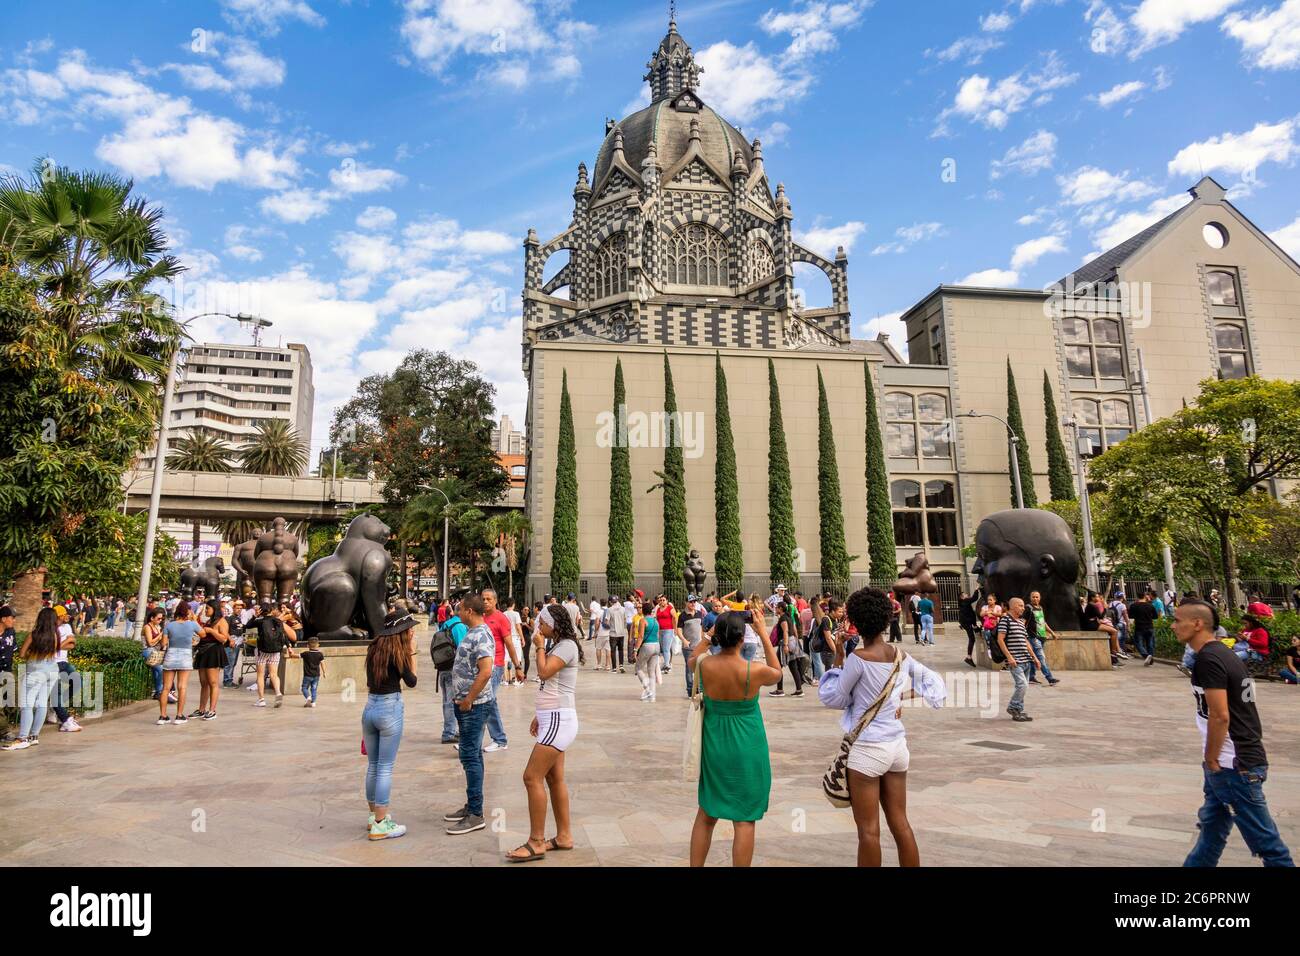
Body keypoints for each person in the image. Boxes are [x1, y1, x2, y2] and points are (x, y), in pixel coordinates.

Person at [818, 588, 947, 866]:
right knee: (901, 825)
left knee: (868, 832)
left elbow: (835, 697)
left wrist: (839, 655)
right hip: (897, 747)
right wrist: (900, 698)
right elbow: (933, 682)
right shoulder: (900, 655)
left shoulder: (858, 659)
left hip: (867, 749)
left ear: (856, 622)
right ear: (887, 619)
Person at [1173, 600, 1293, 867]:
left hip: (1233, 765)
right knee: (1212, 832)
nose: (1173, 625)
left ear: (1197, 623)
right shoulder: (1226, 655)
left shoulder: (1209, 659)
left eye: (1177, 620)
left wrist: (1212, 758)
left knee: (1268, 846)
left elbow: (1220, 715)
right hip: (1235, 761)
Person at [690, 606, 783, 867]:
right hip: (747, 744)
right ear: (743, 638)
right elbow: (778, 673)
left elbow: (691, 659)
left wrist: (708, 636)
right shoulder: (754, 670)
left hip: (715, 742)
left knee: (707, 813)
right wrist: (763, 632)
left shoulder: (705, 664)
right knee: (744, 818)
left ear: (719, 635)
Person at [505, 597, 584, 861]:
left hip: (559, 720)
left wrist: (538, 647)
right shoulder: (560, 644)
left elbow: (544, 672)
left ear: (553, 624)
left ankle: (536, 841)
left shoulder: (566, 645)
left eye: (542, 624)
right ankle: (563, 836)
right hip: (553, 718)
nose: (539, 628)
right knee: (553, 778)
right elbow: (551, 687)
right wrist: (540, 715)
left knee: (531, 777)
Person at [362, 610, 418, 841]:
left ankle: (373, 815)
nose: (412, 631)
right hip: (389, 709)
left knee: (373, 765)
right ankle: (381, 824)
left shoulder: (373, 648)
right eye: (409, 628)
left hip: (370, 708)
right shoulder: (398, 652)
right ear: (401, 631)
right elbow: (412, 681)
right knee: (385, 767)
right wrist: (411, 652)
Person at [445, 595, 494, 835]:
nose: (458, 610)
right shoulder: (470, 631)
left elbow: (485, 671)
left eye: (460, 608)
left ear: (469, 611)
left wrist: (469, 699)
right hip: (465, 703)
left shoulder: (481, 634)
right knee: (471, 754)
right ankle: (471, 805)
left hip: (474, 706)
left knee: (470, 756)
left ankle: (476, 813)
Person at [2, 608, 61, 751]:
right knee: (41, 703)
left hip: (35, 672)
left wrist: (31, 654)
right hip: (52, 670)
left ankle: (22, 738)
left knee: (27, 705)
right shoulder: (55, 635)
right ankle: (34, 736)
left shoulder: (34, 635)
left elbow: (21, 654)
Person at [481, 589, 520, 752]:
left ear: (495, 601)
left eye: (488, 599)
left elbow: (509, 644)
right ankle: (480, 739)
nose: (485, 601)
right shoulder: (480, 617)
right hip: (481, 665)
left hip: (496, 665)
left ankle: (499, 739)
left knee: (488, 701)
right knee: (486, 701)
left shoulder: (501, 618)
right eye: (483, 599)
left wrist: (517, 667)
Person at [997, 597, 1042, 723]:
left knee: (1023, 686)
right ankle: (1013, 707)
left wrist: (1035, 657)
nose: (1023, 608)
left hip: (1026, 660)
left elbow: (1026, 641)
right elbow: (1000, 639)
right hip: (1015, 660)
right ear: (1013, 606)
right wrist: (1009, 657)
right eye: (1020, 606)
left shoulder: (1021, 622)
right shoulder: (1005, 620)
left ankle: (1018, 710)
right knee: (1022, 685)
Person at [159, 603, 201, 725]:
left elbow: (164, 643)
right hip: (185, 656)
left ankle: (162, 716)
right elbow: (202, 634)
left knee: (166, 687)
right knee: (182, 687)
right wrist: (194, 620)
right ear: (188, 612)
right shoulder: (192, 624)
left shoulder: (169, 625)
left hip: (171, 655)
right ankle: (179, 715)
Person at [434, 606, 468, 744]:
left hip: (442, 668)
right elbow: (462, 650)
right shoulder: (459, 626)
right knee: (451, 702)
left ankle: (450, 730)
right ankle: (449, 732)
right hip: (452, 669)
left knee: (446, 701)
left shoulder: (446, 624)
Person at [192, 599, 230, 720]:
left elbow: (224, 639)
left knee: (213, 683)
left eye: (207, 608)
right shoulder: (209, 620)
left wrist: (211, 631)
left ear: (214, 609)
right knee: (204, 683)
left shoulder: (221, 621)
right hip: (204, 651)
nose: (206, 610)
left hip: (213, 651)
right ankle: (201, 709)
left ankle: (212, 710)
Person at [47, 606, 83, 733]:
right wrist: (64, 642)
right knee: (55, 692)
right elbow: (50, 648)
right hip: (52, 664)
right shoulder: (49, 628)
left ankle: (55, 707)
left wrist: (58, 646)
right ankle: (65, 719)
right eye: (63, 615)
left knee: (78, 681)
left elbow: (72, 644)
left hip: (63, 662)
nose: (65, 617)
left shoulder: (66, 627)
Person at [253, 604, 295, 708]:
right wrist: (289, 646)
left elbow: (247, 625)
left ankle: (261, 699)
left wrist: (255, 616)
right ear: (272, 610)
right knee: (274, 674)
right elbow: (283, 634)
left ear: (262, 611)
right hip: (275, 650)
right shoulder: (278, 621)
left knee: (260, 675)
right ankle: (278, 693)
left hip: (262, 651)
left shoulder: (260, 621)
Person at [1025, 591, 1061, 686]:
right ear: (1030, 598)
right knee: (1041, 658)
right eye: (1033, 597)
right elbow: (1023, 622)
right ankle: (1050, 678)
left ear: (1040, 598)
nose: (1035, 599)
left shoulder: (1040, 608)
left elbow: (1043, 622)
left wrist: (1052, 633)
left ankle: (1031, 677)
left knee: (1034, 658)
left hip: (1042, 637)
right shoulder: (1028, 608)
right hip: (1033, 637)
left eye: (1037, 597)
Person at [634, 601, 661, 701]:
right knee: (651, 671)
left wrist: (635, 649)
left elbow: (640, 636)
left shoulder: (643, 620)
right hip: (656, 645)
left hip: (647, 646)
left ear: (643, 610)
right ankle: (652, 696)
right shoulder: (655, 621)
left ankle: (648, 689)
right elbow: (658, 635)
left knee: (638, 668)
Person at [140, 607, 166, 701]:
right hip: (147, 650)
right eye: (158, 618)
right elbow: (150, 643)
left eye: (161, 619)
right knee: (160, 669)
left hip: (156, 651)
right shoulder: (147, 627)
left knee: (157, 671)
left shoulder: (157, 627)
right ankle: (159, 691)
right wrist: (160, 636)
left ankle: (156, 691)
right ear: (152, 618)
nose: (160, 620)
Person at [1128, 590, 1159, 666]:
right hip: (1149, 626)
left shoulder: (1133, 605)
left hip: (1139, 627)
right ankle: (1150, 660)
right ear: (1145, 596)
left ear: (1137, 596)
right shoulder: (1150, 605)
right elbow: (1155, 616)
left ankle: (1145, 655)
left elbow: (1130, 616)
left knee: (1138, 643)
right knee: (1150, 644)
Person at [0, 605, 16, 742]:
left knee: (11, 703)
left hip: (8, 672)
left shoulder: (11, 632)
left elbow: (13, 650)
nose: (14, 620)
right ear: (3, 619)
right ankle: (4, 732)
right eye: (12, 617)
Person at [656, 595, 678, 673]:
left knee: (666, 648)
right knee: (662, 649)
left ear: (667, 601)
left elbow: (675, 618)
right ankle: (666, 664)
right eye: (661, 600)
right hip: (660, 631)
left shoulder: (670, 608)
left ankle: (667, 665)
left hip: (668, 630)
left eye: (664, 600)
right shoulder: (658, 609)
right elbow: (657, 620)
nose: (662, 601)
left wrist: (675, 629)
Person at [606, 596, 628, 674]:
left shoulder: (609, 610)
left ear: (610, 602)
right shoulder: (623, 609)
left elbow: (607, 621)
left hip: (613, 633)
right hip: (621, 633)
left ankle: (614, 668)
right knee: (621, 649)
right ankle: (621, 665)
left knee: (613, 650)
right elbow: (625, 619)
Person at [300, 638, 325, 707]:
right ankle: (313, 703)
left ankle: (308, 697)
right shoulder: (320, 654)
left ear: (307, 646)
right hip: (316, 675)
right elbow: (322, 663)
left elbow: (297, 656)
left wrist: (291, 654)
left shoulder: (306, 654)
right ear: (318, 645)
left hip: (307, 675)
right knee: (314, 689)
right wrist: (324, 672)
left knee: (304, 688)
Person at [958, 591, 979, 668]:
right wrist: (976, 590)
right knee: (972, 639)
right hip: (966, 623)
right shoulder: (965, 601)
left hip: (967, 622)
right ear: (962, 597)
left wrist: (975, 625)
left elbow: (970, 614)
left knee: (972, 637)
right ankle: (968, 657)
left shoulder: (964, 603)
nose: (967, 594)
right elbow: (974, 598)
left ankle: (969, 657)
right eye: (965, 594)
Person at [594, 598, 611, 671]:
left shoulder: (599, 611)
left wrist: (596, 631)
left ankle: (599, 664)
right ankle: (607, 665)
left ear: (600, 603)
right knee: (608, 649)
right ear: (606, 603)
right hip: (608, 632)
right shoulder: (609, 610)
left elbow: (597, 622)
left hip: (601, 632)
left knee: (598, 648)